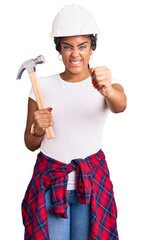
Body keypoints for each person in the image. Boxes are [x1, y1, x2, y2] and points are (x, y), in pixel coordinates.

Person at [22, 4, 127, 240]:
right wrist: (37, 128)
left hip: (91, 185)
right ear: (59, 48)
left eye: (82, 46)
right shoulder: (42, 87)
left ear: (92, 48)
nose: (75, 54)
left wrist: (108, 89)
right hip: (50, 183)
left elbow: (120, 105)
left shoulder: (105, 86)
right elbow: (30, 143)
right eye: (67, 47)